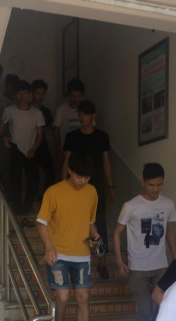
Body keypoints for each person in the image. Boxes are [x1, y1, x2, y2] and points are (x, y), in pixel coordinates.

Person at [36, 152, 100, 321]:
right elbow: (41, 223)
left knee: (84, 298)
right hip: (59, 254)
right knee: (62, 298)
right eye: (80, 176)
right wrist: (49, 246)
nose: (83, 181)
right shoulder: (54, 192)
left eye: (87, 177)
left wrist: (95, 236)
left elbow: (90, 222)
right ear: (70, 170)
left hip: (82, 254)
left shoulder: (92, 192)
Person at [113, 163, 176, 321]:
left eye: (159, 184)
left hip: (161, 266)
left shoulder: (168, 205)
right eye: (151, 185)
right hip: (138, 267)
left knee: (163, 307)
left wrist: (175, 260)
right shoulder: (131, 206)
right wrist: (119, 260)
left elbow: (170, 233)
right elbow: (116, 233)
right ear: (142, 182)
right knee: (145, 309)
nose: (155, 189)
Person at [62, 100, 114, 278]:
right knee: (74, 221)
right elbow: (66, 161)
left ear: (93, 116)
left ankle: (102, 261)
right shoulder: (72, 137)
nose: (81, 117)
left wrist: (110, 186)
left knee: (99, 221)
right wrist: (62, 184)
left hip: (96, 184)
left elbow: (106, 162)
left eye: (84, 114)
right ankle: (74, 259)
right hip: (74, 186)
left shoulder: (102, 136)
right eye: (79, 114)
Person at [0, 81, 45, 227]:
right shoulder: (9, 110)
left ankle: (24, 212)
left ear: (29, 94)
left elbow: (40, 135)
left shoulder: (37, 113)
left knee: (33, 182)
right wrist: (5, 137)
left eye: (24, 93)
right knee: (16, 182)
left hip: (31, 150)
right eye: (19, 93)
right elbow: (1, 127)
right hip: (15, 149)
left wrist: (33, 149)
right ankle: (19, 214)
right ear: (15, 95)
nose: (22, 96)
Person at [30, 79, 57, 195]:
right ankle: (35, 199)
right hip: (28, 145)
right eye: (38, 93)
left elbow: (50, 126)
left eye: (43, 94)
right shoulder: (26, 108)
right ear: (32, 92)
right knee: (33, 175)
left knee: (51, 172)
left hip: (42, 145)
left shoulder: (45, 111)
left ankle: (46, 198)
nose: (40, 97)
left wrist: (51, 130)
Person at [53, 78, 89, 165]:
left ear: (83, 95)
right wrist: (58, 151)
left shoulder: (88, 109)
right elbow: (56, 131)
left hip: (84, 152)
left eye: (79, 96)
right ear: (69, 95)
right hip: (66, 152)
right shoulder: (61, 109)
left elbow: (92, 129)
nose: (76, 99)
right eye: (73, 96)